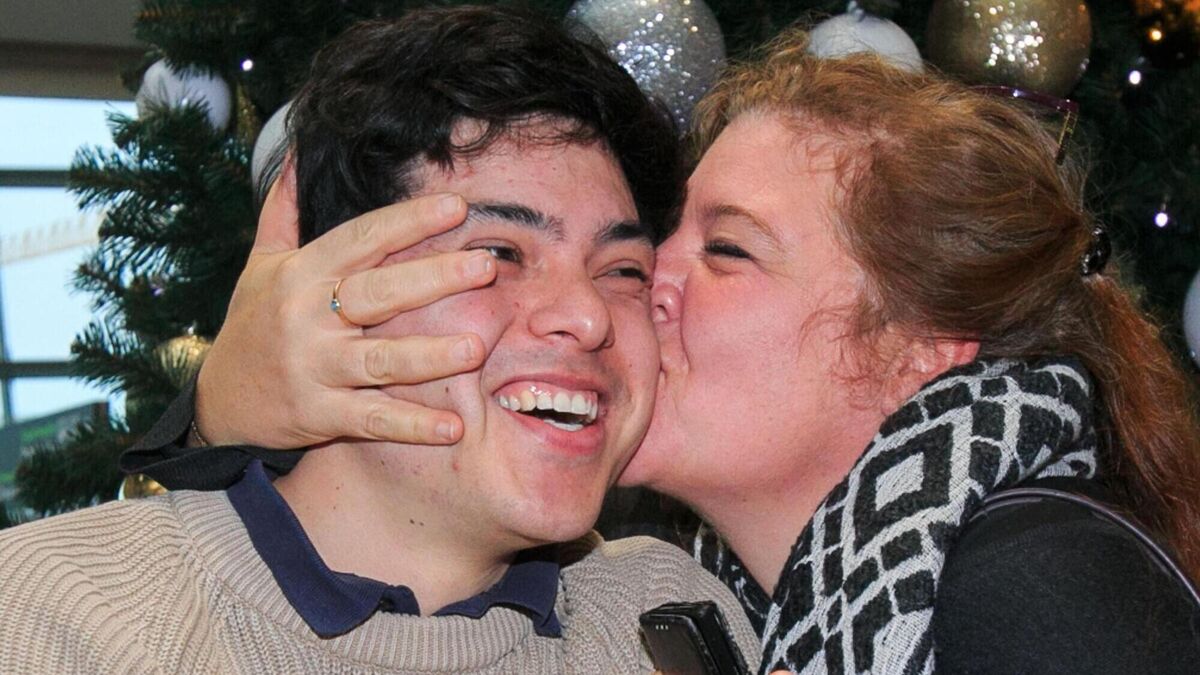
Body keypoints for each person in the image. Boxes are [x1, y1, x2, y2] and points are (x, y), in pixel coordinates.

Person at [124, 23, 1200, 675]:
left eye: (725, 250)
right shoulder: (719, 608)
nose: (629, 296)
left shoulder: (1041, 589)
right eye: (652, 249)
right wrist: (221, 415)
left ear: (919, 353)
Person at [0, 8, 763, 674]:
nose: (589, 317)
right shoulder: (57, 619)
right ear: (320, 285)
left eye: (623, 269)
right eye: (499, 253)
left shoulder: (661, 613)